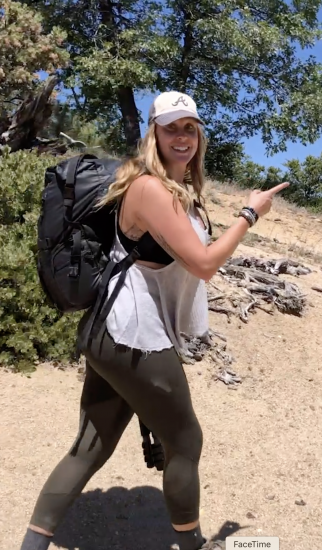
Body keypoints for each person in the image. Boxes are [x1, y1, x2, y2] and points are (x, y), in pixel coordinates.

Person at [18, 91, 289, 550]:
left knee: (92, 444)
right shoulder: (148, 188)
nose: (181, 137)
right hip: (133, 334)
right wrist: (249, 215)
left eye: (190, 128)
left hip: (115, 333)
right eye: (171, 128)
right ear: (154, 133)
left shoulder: (180, 192)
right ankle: (193, 546)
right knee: (185, 442)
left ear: (199, 135)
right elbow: (203, 264)